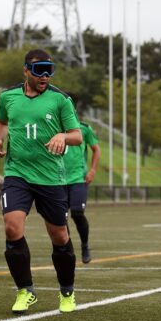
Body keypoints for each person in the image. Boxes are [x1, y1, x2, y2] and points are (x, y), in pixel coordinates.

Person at [0, 49, 82, 314]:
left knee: (60, 235)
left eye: (49, 70)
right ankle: (25, 290)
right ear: (25, 70)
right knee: (12, 227)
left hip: (50, 178)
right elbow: (1, 121)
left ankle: (67, 291)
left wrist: (63, 137)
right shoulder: (7, 97)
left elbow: (77, 135)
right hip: (17, 173)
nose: (44, 75)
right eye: (38, 69)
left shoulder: (60, 100)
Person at [62, 93, 101, 264]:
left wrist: (92, 170)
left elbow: (96, 149)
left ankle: (85, 245)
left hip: (78, 178)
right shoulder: (53, 126)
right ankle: (67, 249)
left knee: (77, 213)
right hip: (57, 180)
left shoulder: (84, 128)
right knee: (60, 218)